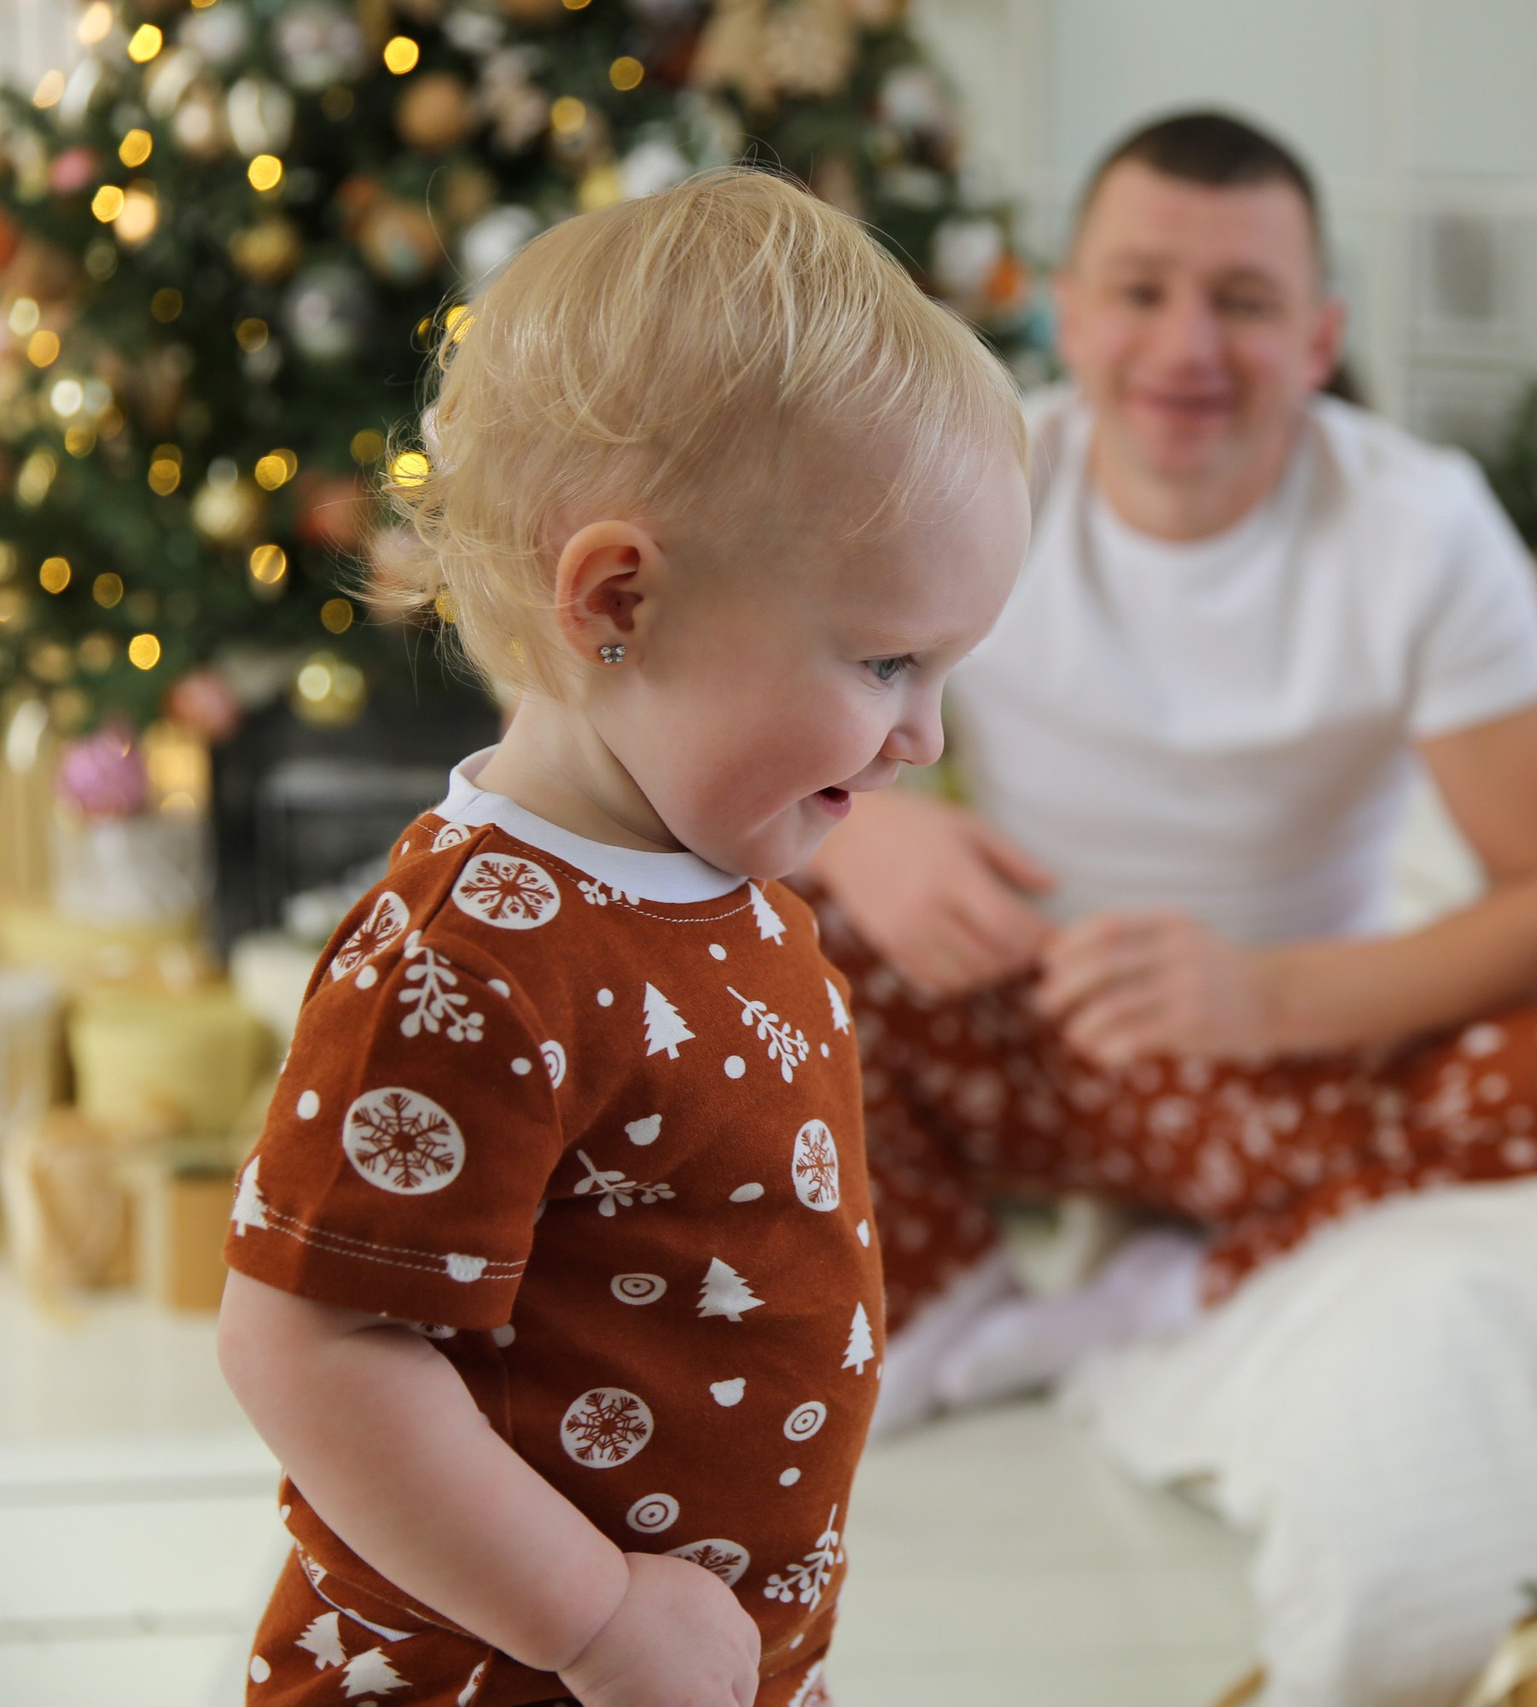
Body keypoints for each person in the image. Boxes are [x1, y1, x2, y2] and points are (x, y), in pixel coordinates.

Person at [215, 171, 1029, 1707]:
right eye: (885, 660)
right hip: (502, 1674)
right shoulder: (471, 953)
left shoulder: (721, 876)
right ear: (618, 601)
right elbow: (305, 1349)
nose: (924, 734)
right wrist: (593, 1618)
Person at [799, 111, 1537, 1428]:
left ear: (1319, 338)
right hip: (1028, 1029)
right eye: (1142, 293)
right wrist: (856, 831)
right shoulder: (966, 483)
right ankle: (946, 1273)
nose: (1188, 347)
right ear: (1071, 317)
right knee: (751, 911)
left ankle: (1169, 1294)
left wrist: (1267, 996)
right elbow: (700, 694)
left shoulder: (1422, 528)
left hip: (1303, 1057)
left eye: (1244, 302)